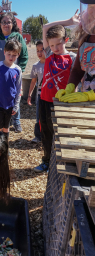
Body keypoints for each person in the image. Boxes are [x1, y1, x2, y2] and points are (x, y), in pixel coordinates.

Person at [33, 13, 78, 173]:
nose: (54, 49)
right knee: (45, 132)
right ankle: (46, 161)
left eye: (57, 44)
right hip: (44, 100)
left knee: (62, 133)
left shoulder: (73, 58)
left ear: (65, 40)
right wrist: (69, 21)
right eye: (51, 46)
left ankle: (62, 162)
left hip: (61, 102)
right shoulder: (50, 54)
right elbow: (45, 27)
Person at [0, 12, 28, 133]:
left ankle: (16, 121)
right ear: (0, 24)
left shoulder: (18, 38)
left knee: (14, 95)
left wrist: (19, 69)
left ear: (12, 24)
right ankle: (1, 123)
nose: (6, 24)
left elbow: (24, 55)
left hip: (12, 74)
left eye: (8, 22)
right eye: (3, 22)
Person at [56, 0, 95, 104]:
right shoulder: (86, 37)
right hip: (87, 103)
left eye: (94, 7)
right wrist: (70, 87)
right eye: (89, 7)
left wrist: (91, 95)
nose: (90, 11)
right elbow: (78, 70)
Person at [0, 39, 22, 149]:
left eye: (14, 55)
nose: (11, 57)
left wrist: (16, 105)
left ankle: (5, 148)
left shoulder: (18, 70)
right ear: (4, 52)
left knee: (6, 128)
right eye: (9, 54)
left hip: (10, 104)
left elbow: (18, 88)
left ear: (18, 55)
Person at [27, 40, 46, 143]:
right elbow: (33, 81)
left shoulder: (51, 64)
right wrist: (29, 95)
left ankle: (48, 137)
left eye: (42, 50)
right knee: (38, 115)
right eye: (37, 50)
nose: (39, 53)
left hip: (50, 95)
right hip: (39, 94)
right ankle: (38, 136)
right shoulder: (36, 66)